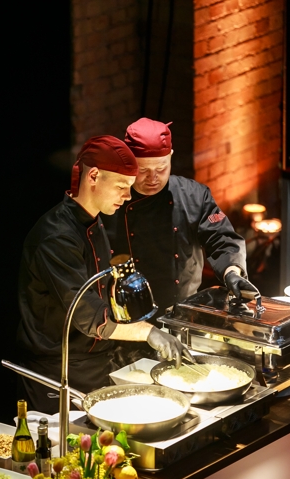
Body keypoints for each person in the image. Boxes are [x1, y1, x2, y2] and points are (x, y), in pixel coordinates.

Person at [16, 135, 192, 413]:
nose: (128, 195)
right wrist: (149, 333)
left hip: (95, 361)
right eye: (122, 186)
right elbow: (88, 315)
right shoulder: (56, 238)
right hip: (57, 369)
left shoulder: (94, 221)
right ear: (94, 176)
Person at [102, 118, 259, 322]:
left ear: (171, 157)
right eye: (143, 170)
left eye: (161, 169)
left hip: (183, 314)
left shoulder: (194, 196)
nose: (153, 178)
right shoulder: (110, 202)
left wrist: (232, 273)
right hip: (125, 320)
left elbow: (222, 238)